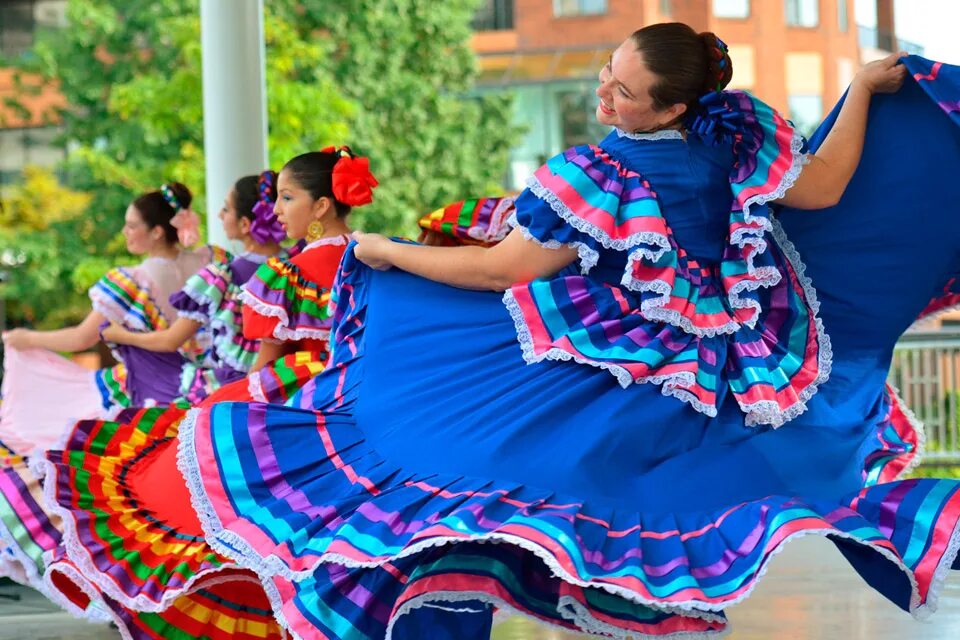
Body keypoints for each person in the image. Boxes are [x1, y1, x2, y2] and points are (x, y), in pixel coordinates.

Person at [174, 24, 960, 639]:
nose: (604, 97)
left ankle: (411, 609)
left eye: (623, 92)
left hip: (620, 367)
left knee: (460, 479)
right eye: (607, 77)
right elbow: (823, 185)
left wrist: (378, 249)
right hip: (701, 369)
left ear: (673, 105)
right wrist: (857, 88)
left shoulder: (608, 172)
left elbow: (502, 274)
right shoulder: (729, 140)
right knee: (511, 498)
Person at [41, 148, 378, 639]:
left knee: (216, 491)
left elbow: (266, 358)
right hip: (360, 397)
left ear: (322, 206)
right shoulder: (377, 257)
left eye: (288, 197)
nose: (279, 210)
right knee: (345, 530)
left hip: (298, 397)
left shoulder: (290, 273)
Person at [0, 182, 213, 594]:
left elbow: (82, 338)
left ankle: (115, 582)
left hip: (146, 396)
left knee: (102, 492)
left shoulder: (133, 280)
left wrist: (27, 338)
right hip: (206, 387)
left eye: (132, 225)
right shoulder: (209, 265)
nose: (125, 232)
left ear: (155, 231)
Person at [102, 171, 288, 403]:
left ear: (244, 224)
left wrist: (122, 335)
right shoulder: (295, 263)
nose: (220, 215)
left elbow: (171, 340)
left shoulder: (224, 275)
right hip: (287, 375)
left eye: (226, 209)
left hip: (234, 384)